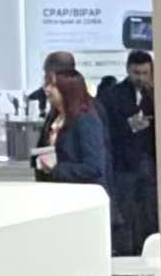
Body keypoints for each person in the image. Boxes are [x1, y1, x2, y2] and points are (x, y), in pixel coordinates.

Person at [103, 50, 157, 252]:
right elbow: (109, 129)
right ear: (127, 70)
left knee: (149, 213)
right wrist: (133, 125)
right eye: (136, 73)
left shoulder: (156, 94)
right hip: (123, 165)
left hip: (149, 163)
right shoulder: (113, 95)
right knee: (126, 214)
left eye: (145, 73)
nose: (140, 78)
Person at [37, 69, 111, 197]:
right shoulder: (54, 117)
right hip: (56, 190)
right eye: (46, 84)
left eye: (53, 85)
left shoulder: (86, 121)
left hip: (82, 195)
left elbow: (94, 167)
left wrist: (57, 168)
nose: (47, 89)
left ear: (67, 89)